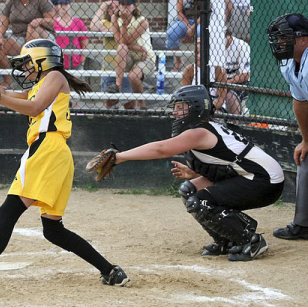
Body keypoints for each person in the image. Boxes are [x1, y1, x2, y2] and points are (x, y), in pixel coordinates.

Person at [0, 39, 129, 296]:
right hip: (56, 153)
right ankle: (110, 271)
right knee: (53, 230)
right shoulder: (45, 82)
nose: (25, 69)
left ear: (43, 60)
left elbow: (34, 106)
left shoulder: (54, 76)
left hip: (47, 149)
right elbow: (21, 97)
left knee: (8, 212)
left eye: (28, 63)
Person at [106, 85, 284, 261]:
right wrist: (192, 172)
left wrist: (120, 157)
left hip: (265, 181)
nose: (175, 112)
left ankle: (251, 241)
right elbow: (226, 161)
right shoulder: (203, 128)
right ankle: (227, 240)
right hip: (251, 176)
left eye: (181, 107)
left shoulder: (199, 132)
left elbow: (161, 149)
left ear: (196, 109)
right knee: (189, 190)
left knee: (200, 201)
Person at [267, 13, 308, 240]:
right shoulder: (291, 65)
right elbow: (301, 103)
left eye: (284, 38)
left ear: (303, 39)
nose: (279, 43)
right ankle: (306, 225)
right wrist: (306, 140)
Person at [0, 0, 55, 85]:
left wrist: (39, 21)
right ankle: (8, 80)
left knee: (31, 27)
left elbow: (52, 21)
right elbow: (4, 20)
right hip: (18, 37)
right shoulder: (12, 1)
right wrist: (0, 37)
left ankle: (32, 72)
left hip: (42, 36)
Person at [182, 30, 249, 114]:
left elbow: (220, 100)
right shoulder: (188, 71)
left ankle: (234, 123)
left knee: (229, 97)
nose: (199, 56)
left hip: (217, 104)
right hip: (195, 108)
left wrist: (208, 109)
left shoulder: (219, 70)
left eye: (202, 53)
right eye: (197, 52)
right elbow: (185, 97)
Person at [109, 0, 155, 109]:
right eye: (122, 4)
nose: (125, 7)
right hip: (128, 55)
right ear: (119, 6)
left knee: (133, 77)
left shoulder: (142, 21)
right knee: (122, 48)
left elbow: (128, 40)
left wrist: (124, 23)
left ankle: (141, 102)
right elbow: (121, 42)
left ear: (134, 6)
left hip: (145, 57)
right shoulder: (115, 18)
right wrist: (139, 48)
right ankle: (117, 86)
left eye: (128, 4)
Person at [90, 0, 129, 108]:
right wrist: (102, 6)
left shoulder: (126, 22)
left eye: (117, 7)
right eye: (111, 8)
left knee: (129, 102)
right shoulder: (106, 22)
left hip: (125, 67)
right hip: (109, 68)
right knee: (110, 102)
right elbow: (93, 26)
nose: (114, 9)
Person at [166, 0, 201, 71]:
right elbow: (179, 12)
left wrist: (193, 27)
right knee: (171, 33)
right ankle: (178, 61)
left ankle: (199, 62)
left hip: (200, 21)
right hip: (186, 20)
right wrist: (188, 26)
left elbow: (205, 12)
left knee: (202, 34)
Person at [51, 0, 89, 70]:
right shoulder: (53, 23)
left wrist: (82, 59)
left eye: (65, 4)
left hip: (75, 61)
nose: (63, 7)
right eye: (61, 5)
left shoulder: (78, 22)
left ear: (69, 5)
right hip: (58, 61)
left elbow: (84, 42)